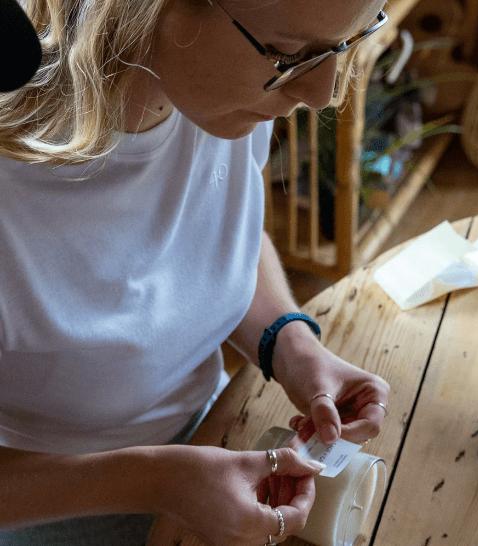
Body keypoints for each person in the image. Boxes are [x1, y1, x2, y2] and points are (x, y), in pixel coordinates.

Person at [0, 0, 390, 545]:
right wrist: (155, 481)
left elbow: (221, 228)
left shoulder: (218, 93)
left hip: (209, 439)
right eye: (289, 53)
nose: (321, 93)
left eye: (344, 43)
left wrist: (290, 344)